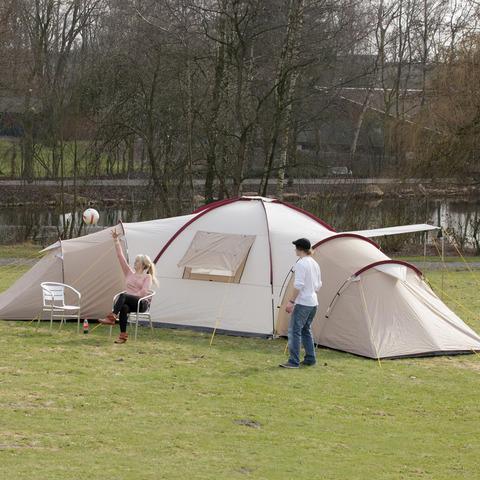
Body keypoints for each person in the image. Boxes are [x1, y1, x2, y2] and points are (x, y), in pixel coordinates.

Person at [99, 229, 158, 344]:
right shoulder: (129, 273)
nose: (134, 263)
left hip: (141, 303)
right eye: (135, 261)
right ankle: (122, 336)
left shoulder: (147, 277)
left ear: (143, 265)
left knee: (123, 295)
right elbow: (120, 256)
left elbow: (143, 292)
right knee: (124, 308)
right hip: (129, 302)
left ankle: (112, 317)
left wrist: (128, 296)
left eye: (137, 262)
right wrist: (116, 240)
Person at [279, 238, 322, 369]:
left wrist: (291, 302)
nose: (294, 250)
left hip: (303, 303)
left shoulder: (301, 263)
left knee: (294, 331)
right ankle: (310, 358)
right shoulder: (314, 263)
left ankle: (293, 361)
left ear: (299, 249)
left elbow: (298, 285)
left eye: (295, 247)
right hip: (313, 302)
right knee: (305, 330)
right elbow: (319, 285)